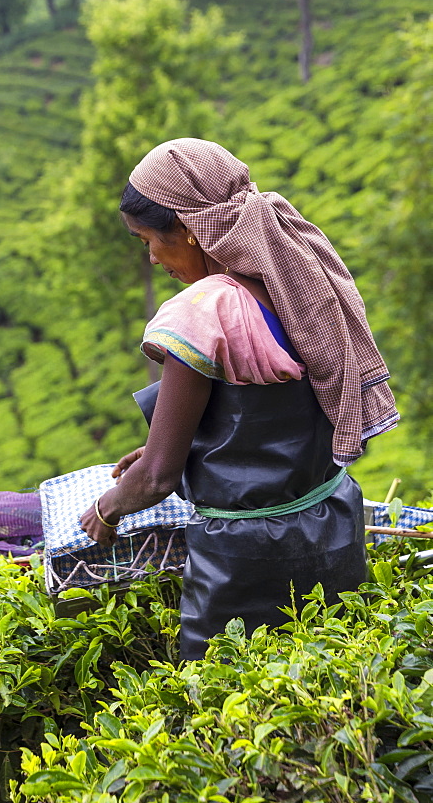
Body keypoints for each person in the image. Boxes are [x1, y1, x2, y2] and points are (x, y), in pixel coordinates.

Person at [80, 138, 398, 660]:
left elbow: (158, 477)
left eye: (147, 241)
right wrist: (188, 444)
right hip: (334, 525)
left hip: (246, 560)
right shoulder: (300, 275)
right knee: (338, 683)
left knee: (225, 706)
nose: (154, 258)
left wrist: (105, 509)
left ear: (186, 227)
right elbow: (269, 417)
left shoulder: (201, 314)